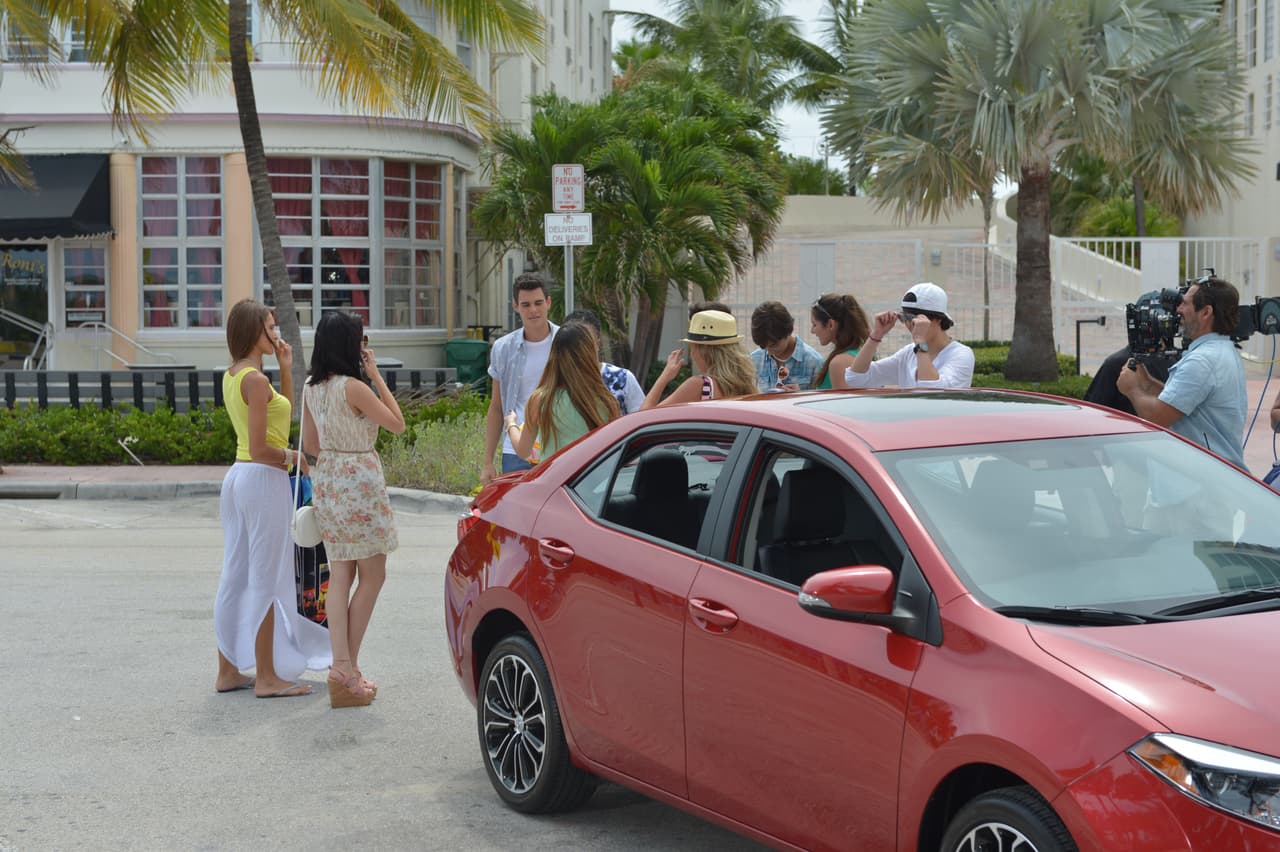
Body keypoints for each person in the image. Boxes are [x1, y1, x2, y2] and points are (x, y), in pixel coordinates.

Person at [215, 299, 330, 699]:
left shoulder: (237, 375)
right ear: (253, 332)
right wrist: (295, 458)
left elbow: (276, 422)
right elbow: (266, 447)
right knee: (265, 576)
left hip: (240, 478)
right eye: (270, 327)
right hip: (262, 478)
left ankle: (228, 669)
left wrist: (284, 369)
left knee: (237, 573)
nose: (276, 333)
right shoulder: (254, 381)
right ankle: (266, 677)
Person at [302, 311, 406, 708]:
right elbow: (397, 423)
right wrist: (375, 374)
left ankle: (342, 667)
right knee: (374, 574)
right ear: (350, 344)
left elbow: (311, 442)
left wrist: (329, 473)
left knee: (342, 572)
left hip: (328, 475)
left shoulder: (312, 386)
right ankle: (346, 667)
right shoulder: (353, 387)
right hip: (359, 477)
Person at [1117, 274, 1248, 470]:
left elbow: (1157, 417)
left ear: (1205, 313)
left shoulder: (1202, 361)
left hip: (1197, 485)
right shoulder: (1221, 350)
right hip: (1208, 476)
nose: (1178, 309)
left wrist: (1132, 389)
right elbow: (1180, 404)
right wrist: (1147, 383)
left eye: (1185, 303)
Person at [504, 322, 621, 462]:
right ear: (589, 355)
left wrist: (511, 424)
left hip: (555, 481)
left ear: (553, 355)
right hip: (596, 482)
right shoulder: (606, 401)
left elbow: (523, 451)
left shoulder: (540, 400)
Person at [482, 274, 557, 484]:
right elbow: (497, 406)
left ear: (548, 302)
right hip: (515, 449)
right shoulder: (503, 348)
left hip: (557, 446)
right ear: (516, 306)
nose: (533, 310)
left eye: (538, 303)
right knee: (516, 514)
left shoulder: (565, 343)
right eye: (526, 304)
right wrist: (488, 461)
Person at [845, 282, 975, 389]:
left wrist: (920, 342)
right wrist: (876, 336)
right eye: (904, 317)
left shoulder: (961, 354)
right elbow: (856, 378)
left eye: (913, 318)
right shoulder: (908, 353)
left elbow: (931, 391)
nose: (908, 324)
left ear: (938, 319)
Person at [643, 310, 757, 407]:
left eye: (691, 348)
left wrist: (665, 376)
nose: (692, 355)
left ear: (702, 350)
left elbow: (643, 419)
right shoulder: (745, 385)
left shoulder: (700, 385)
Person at [564, 308, 645, 414]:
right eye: (575, 342)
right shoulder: (556, 381)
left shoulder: (623, 379)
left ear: (598, 343)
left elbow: (641, 418)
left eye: (587, 341)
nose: (581, 348)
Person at [748, 301, 825, 391]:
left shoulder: (814, 362)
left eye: (774, 345)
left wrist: (802, 396)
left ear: (789, 331)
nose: (769, 351)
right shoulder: (754, 360)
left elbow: (821, 402)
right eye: (763, 346)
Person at [1083, 346, 1174, 416]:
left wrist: (1134, 390)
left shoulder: (1177, 360)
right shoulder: (1116, 362)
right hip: (1125, 437)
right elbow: (1094, 411)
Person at [810, 293, 871, 390]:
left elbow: (844, 404)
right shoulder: (861, 350)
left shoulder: (840, 362)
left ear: (830, 324)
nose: (812, 331)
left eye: (814, 325)